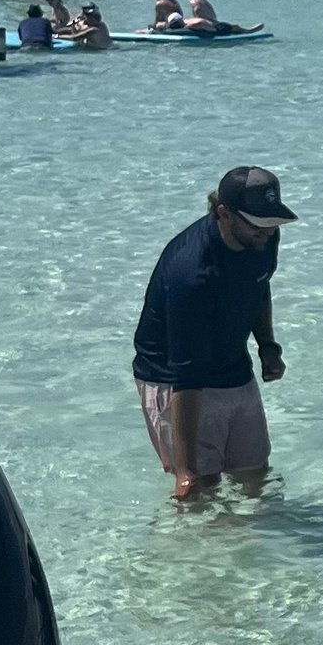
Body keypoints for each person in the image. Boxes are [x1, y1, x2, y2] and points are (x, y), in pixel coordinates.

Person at [131, 165, 296, 500]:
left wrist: (267, 346)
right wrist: (185, 470)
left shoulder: (263, 238)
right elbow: (186, 376)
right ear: (224, 213)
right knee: (201, 493)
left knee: (256, 482)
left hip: (233, 370)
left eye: (273, 222)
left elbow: (258, 285)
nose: (268, 233)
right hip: (175, 382)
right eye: (258, 225)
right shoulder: (191, 274)